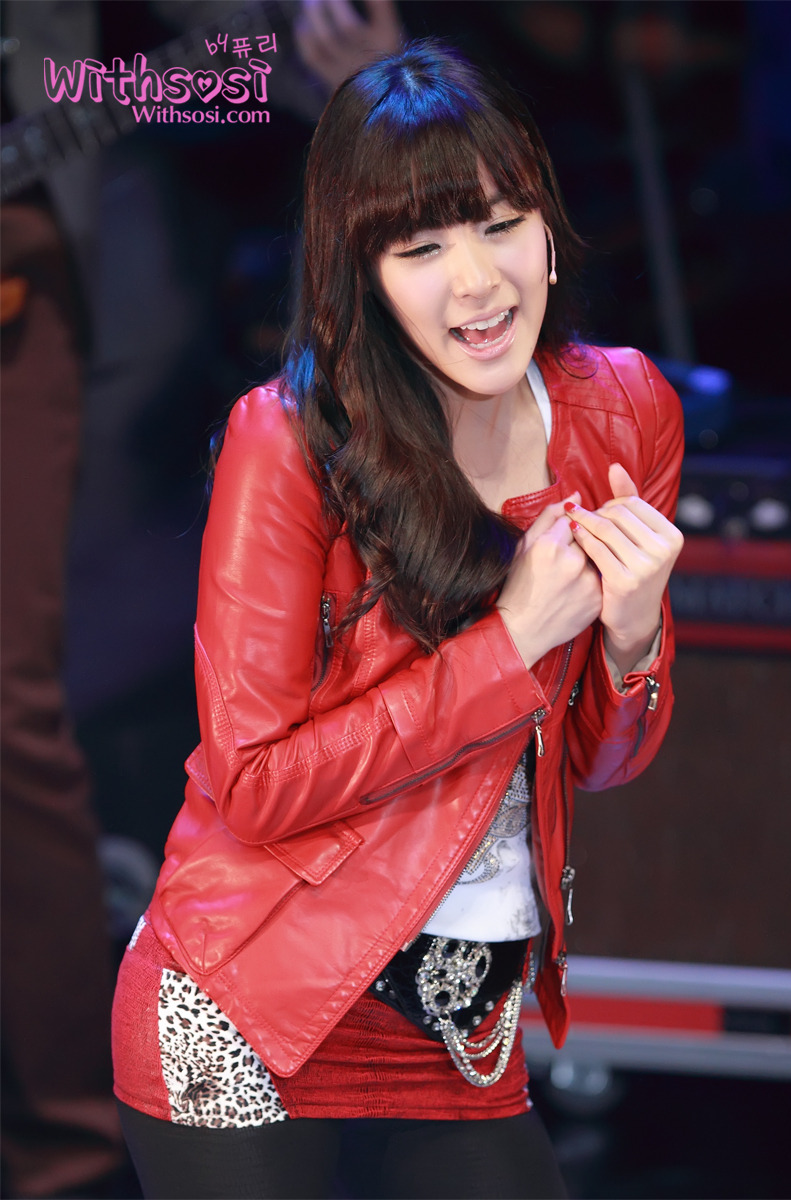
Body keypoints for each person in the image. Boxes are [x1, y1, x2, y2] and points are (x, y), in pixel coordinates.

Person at [111, 40, 684, 1200]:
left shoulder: (623, 410)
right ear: (361, 273)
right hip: (251, 1005)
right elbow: (255, 782)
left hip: (461, 1029)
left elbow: (600, 764)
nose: (476, 283)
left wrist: (631, 643)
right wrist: (508, 643)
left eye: (499, 225)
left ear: (547, 230)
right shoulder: (288, 440)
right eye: (419, 249)